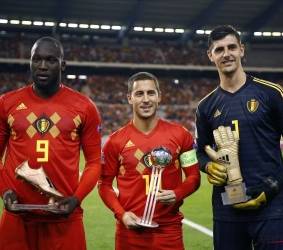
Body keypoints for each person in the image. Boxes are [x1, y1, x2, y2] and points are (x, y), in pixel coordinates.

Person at [195, 24, 283, 250]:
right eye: (220, 49)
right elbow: (200, 151)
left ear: (241, 49)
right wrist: (207, 167)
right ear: (210, 55)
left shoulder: (272, 93)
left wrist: (271, 187)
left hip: (272, 209)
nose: (227, 54)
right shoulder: (205, 106)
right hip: (226, 211)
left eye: (232, 47)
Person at [0, 37, 102, 250]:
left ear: (62, 65)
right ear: (30, 62)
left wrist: (76, 198)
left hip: (65, 221)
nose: (42, 66)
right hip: (17, 220)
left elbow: (94, 162)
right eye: (36, 59)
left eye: (51, 60)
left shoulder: (84, 107)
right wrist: (4, 190)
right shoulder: (6, 103)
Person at [98, 71, 200, 250]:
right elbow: (104, 184)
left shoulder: (181, 135)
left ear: (159, 96)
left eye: (151, 93)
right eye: (139, 94)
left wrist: (178, 193)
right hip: (129, 234)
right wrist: (121, 214)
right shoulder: (115, 141)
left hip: (169, 232)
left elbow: (194, 176)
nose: (146, 99)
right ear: (130, 98)